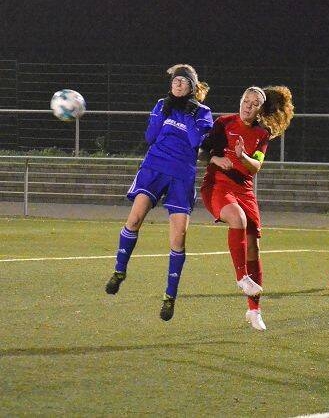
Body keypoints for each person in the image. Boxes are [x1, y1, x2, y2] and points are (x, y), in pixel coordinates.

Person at [105, 64, 214, 321]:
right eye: (175, 80)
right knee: (134, 219)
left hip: (181, 175)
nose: (177, 83)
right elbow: (150, 136)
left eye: (183, 81)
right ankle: (119, 271)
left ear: (191, 86)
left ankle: (169, 296)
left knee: (178, 239)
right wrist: (162, 113)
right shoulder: (161, 105)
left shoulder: (202, 112)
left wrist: (188, 116)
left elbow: (196, 143)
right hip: (154, 167)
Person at [199, 86, 294, 331]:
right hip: (218, 185)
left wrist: (242, 157)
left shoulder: (262, 134)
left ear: (260, 109)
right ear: (240, 101)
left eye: (254, 104)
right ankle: (242, 277)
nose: (248, 106)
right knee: (237, 219)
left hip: (245, 190)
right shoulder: (224, 123)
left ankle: (254, 311)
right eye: (246, 101)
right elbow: (202, 151)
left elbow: (256, 167)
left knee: (254, 247)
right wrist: (216, 158)